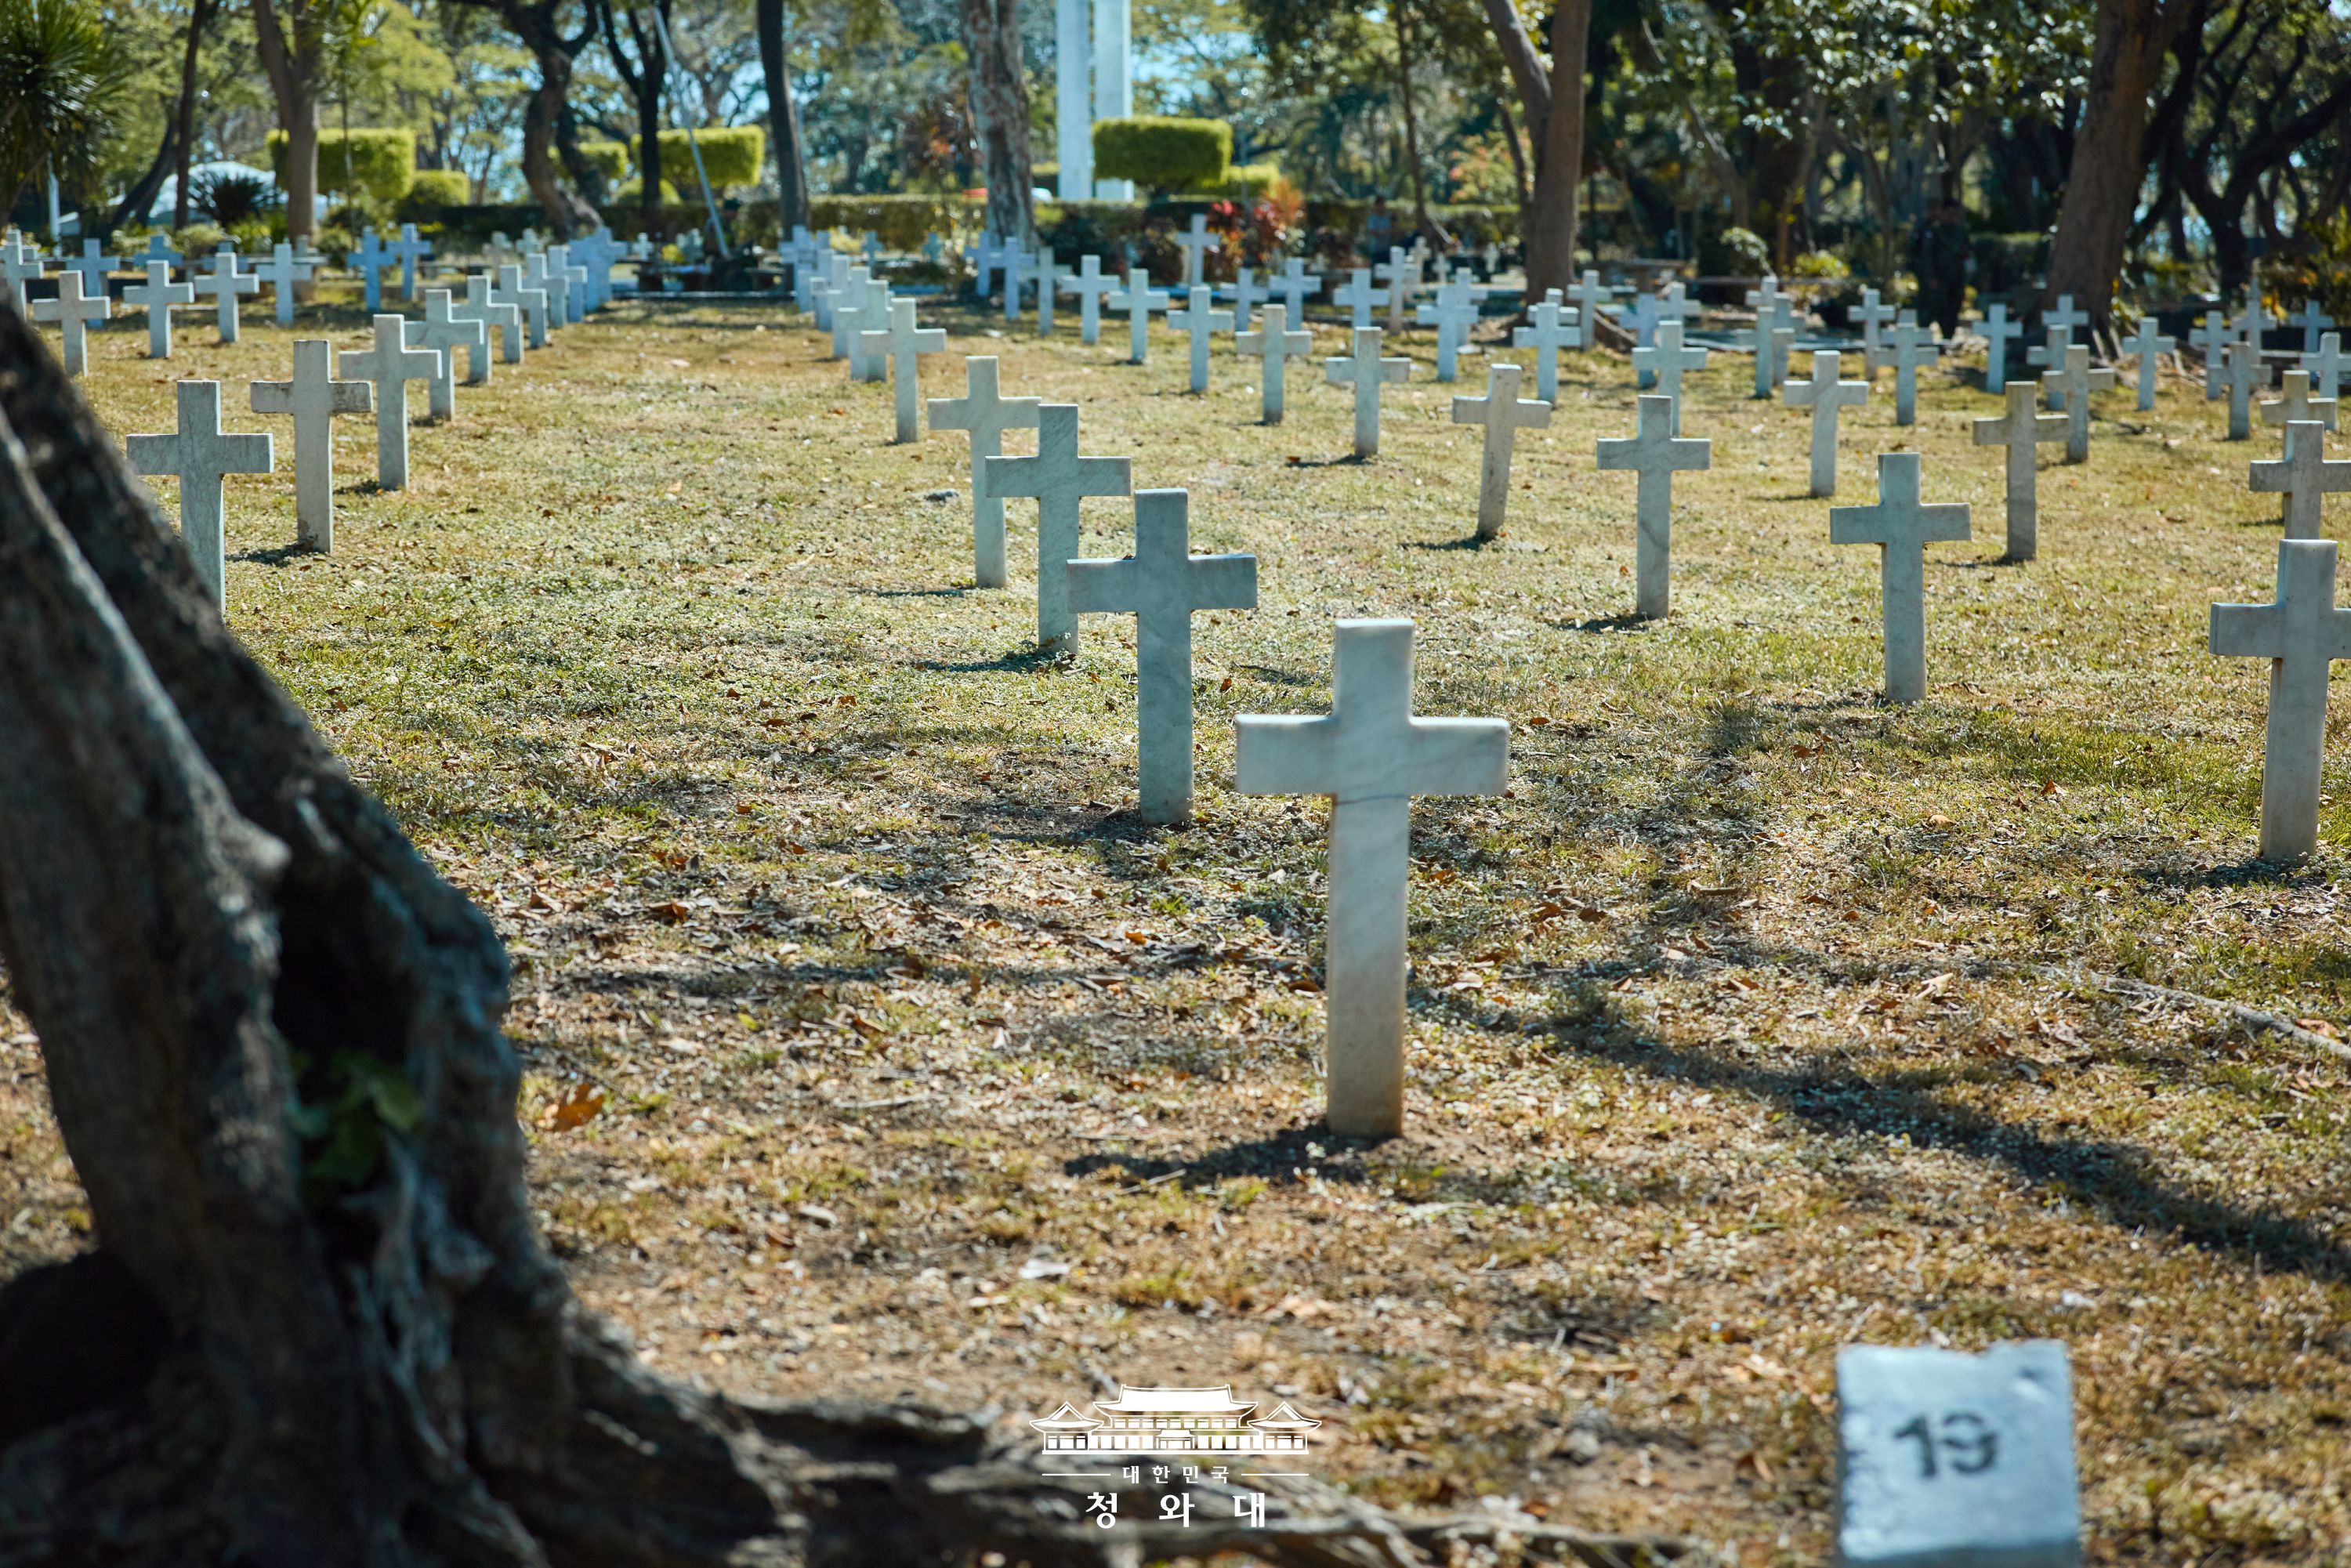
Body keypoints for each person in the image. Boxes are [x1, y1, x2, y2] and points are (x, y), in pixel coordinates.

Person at [1911, 198, 1972, 342]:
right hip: (1938, 280)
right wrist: (1930, 277)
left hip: (1955, 278)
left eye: (1954, 214)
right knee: (1932, 309)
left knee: (1952, 311)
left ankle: (1948, 339)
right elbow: (1927, 256)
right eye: (1948, 213)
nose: (1951, 217)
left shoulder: (1960, 232)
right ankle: (1923, 339)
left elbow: (1967, 255)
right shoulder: (1934, 231)